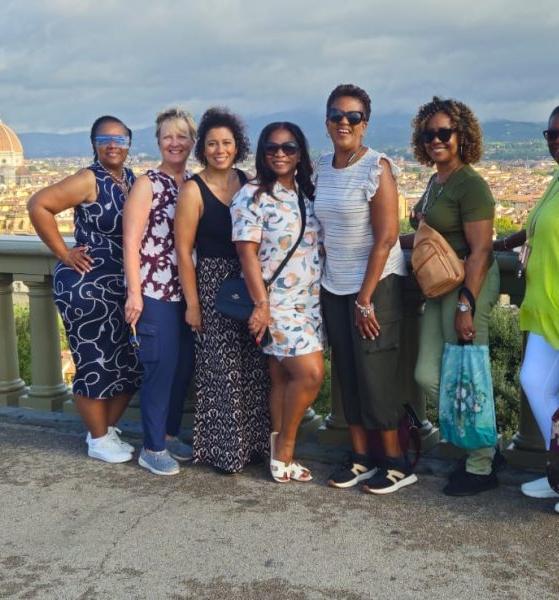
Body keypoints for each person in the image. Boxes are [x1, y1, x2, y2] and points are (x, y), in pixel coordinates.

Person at [495, 102, 559, 518]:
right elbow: (539, 225)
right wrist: (502, 243)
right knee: (539, 384)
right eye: (551, 134)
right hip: (546, 307)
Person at [314, 84, 414, 495]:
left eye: (353, 116)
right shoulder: (321, 165)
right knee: (347, 372)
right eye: (337, 115)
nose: (344, 122)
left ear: (364, 124)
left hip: (375, 286)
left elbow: (387, 236)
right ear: (326, 122)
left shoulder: (377, 167)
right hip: (333, 284)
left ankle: (394, 461)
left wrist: (366, 297)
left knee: (374, 371)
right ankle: (359, 456)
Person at [27, 115, 140, 463]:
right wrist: (64, 252)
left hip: (118, 285)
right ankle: (98, 437)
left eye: (120, 139)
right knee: (94, 361)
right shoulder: (88, 178)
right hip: (87, 285)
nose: (113, 145)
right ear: (93, 143)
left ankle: (104, 431)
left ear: (129, 145)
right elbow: (38, 205)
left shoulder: (129, 179)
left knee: (129, 364)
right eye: (105, 138)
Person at [404, 96, 500, 496]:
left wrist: (467, 304)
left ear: (462, 135)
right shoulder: (436, 181)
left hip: (468, 285)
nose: (436, 140)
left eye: (444, 132)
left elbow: (481, 252)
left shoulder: (471, 184)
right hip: (439, 283)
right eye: (429, 134)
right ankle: (479, 445)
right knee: (427, 374)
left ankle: (481, 465)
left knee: (469, 372)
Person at [175, 107, 270, 474]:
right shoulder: (193, 190)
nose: (220, 149)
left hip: (248, 279)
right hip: (213, 284)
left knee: (253, 365)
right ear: (203, 148)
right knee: (220, 370)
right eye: (212, 143)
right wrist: (192, 304)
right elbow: (183, 251)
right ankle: (225, 452)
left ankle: (255, 447)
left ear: (237, 146)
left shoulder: (248, 181)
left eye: (226, 142)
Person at [231, 121, 324, 483]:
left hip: (310, 301)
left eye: (289, 148)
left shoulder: (306, 192)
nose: (281, 154)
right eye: (272, 148)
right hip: (276, 302)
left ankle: (278, 455)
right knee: (311, 373)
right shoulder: (252, 195)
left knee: (284, 378)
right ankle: (285, 447)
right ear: (262, 153)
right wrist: (261, 304)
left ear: (300, 153)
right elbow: (246, 254)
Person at [123, 108, 196, 476]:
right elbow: (131, 241)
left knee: (181, 369)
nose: (175, 142)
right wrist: (134, 294)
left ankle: (167, 436)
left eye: (182, 136)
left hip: (187, 293)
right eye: (168, 136)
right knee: (160, 368)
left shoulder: (194, 184)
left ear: (192, 141)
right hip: (154, 292)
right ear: (158, 142)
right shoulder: (147, 184)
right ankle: (151, 448)